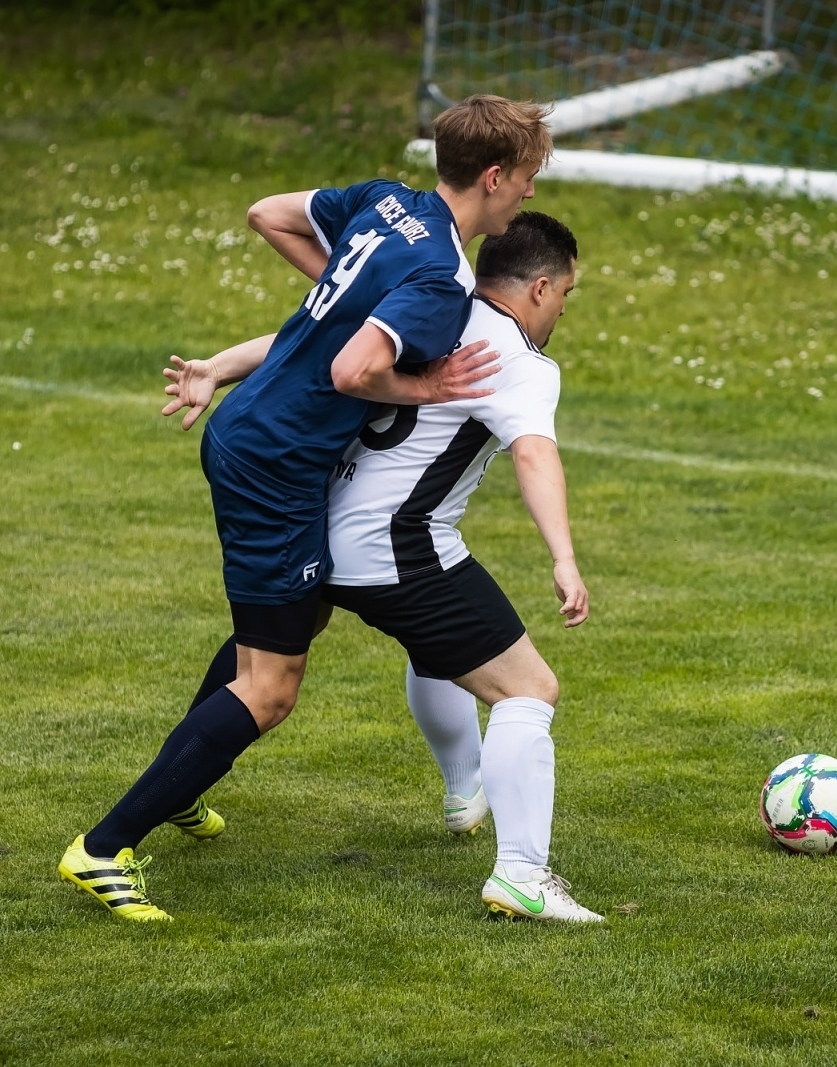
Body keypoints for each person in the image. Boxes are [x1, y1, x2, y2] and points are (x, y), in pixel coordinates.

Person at [58, 95, 553, 922]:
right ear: (495, 176)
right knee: (272, 685)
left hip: (258, 438)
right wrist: (419, 382)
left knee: (299, 622)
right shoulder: (439, 277)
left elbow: (266, 214)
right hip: (276, 466)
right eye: (528, 179)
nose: (528, 197)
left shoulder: (386, 205)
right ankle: (104, 849)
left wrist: (332, 300)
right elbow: (353, 371)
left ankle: (182, 785)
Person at [166, 213, 601, 923]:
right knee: (529, 687)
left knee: (292, 656)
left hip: (315, 527)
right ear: (541, 288)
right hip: (397, 547)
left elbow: (306, 344)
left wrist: (218, 363)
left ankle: (463, 791)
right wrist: (564, 557)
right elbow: (533, 452)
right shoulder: (519, 361)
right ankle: (522, 874)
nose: (561, 311)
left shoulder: (430, 301)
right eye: (566, 295)